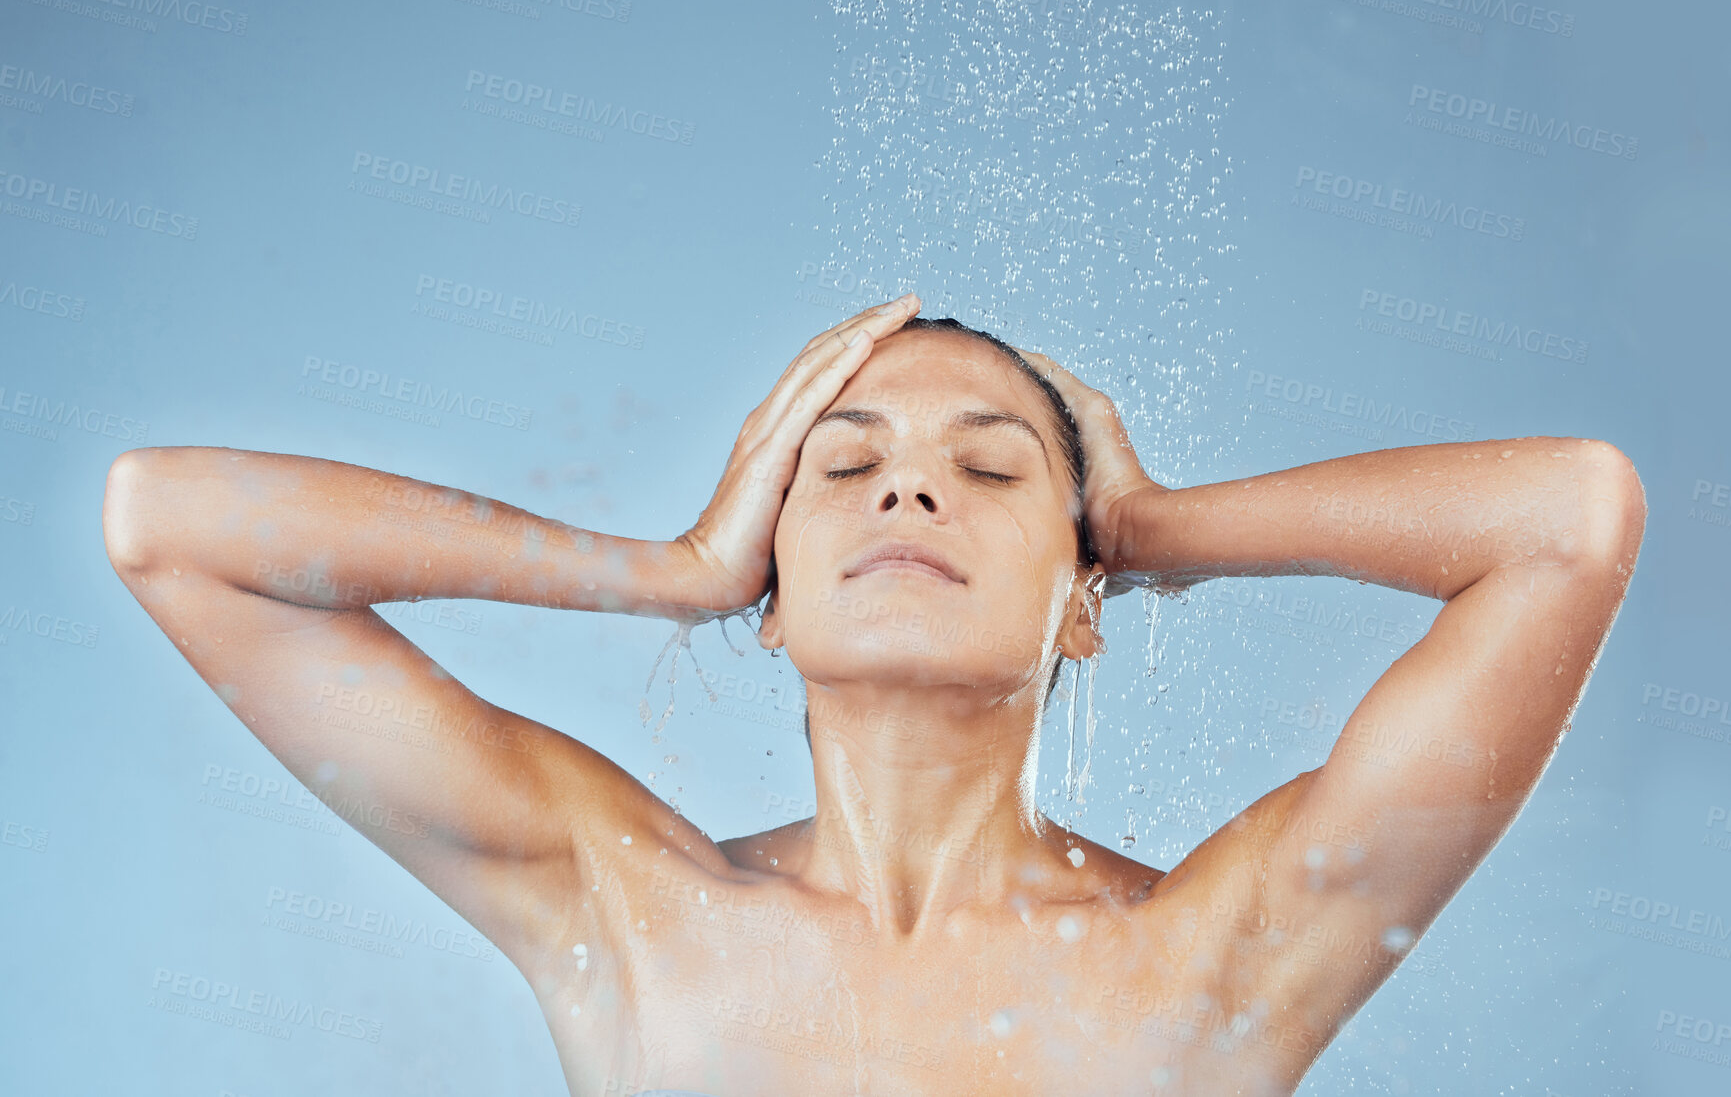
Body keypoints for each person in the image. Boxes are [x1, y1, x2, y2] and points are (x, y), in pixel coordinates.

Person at [101, 293, 1646, 1095]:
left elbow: (1568, 523)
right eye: (841, 470)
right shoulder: (623, 903)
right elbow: (171, 528)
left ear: (1080, 605)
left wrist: (1162, 528)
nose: (908, 495)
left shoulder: (1214, 956)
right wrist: (673, 569)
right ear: (774, 610)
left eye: (988, 469)